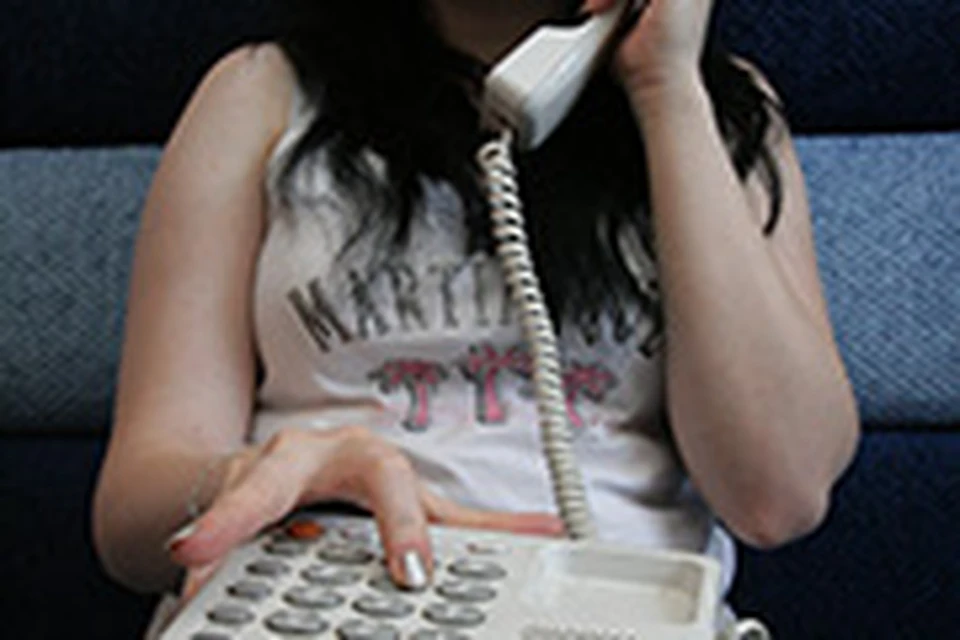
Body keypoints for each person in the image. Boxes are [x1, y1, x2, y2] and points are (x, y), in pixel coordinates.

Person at [92, 0, 860, 625]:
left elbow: (777, 496)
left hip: (608, 607)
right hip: (324, 598)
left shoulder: (719, 112)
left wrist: (667, 88)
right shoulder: (256, 93)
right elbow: (130, 523)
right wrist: (244, 481)